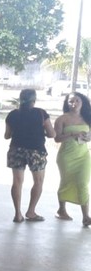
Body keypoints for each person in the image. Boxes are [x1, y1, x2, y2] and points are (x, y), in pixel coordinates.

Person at [5, 88, 55, 223]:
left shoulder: (13, 114)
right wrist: (40, 132)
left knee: (17, 182)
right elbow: (52, 134)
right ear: (34, 100)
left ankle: (17, 213)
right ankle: (31, 211)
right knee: (38, 181)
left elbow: (6, 136)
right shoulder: (41, 113)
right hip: (36, 151)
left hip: (16, 149)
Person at [53, 92, 91, 225]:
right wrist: (72, 134)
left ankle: (86, 216)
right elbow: (57, 138)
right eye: (71, 101)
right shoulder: (62, 119)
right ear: (67, 103)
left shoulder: (87, 118)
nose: (73, 104)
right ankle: (61, 209)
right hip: (66, 156)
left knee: (83, 183)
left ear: (83, 103)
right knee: (66, 182)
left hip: (83, 156)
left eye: (77, 101)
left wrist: (87, 137)